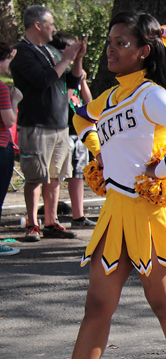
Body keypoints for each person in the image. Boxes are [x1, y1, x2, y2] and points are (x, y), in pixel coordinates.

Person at [14, 12, 166, 359]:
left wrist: (161, 170)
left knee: (161, 301)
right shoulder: (112, 97)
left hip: (153, 213)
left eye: (122, 43)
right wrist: (96, 148)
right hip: (117, 211)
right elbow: (82, 117)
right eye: (110, 42)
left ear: (144, 50)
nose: (112, 49)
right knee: (97, 304)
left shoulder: (151, 95)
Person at [10, 4, 85, 242]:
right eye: (50, 24)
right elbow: (43, 80)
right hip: (35, 124)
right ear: (38, 25)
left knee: (55, 177)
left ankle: (52, 222)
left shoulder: (51, 52)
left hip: (60, 124)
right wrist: (66, 58)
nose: (54, 29)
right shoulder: (22, 52)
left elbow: (71, 82)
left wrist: (77, 60)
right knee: (35, 177)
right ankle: (33, 224)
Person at [50, 31, 96, 229]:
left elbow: (89, 102)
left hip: (79, 132)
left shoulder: (75, 76)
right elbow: (63, 100)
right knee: (58, 175)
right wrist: (74, 78)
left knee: (78, 174)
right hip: (63, 130)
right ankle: (52, 218)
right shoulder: (60, 78)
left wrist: (82, 80)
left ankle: (78, 215)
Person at [0, 42, 22, 256]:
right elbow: (8, 120)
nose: (8, 66)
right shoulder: (1, 88)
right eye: (6, 60)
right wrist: (14, 100)